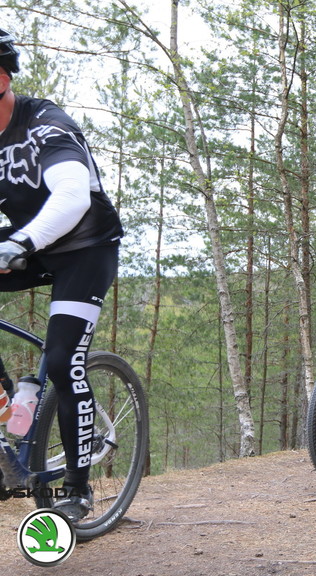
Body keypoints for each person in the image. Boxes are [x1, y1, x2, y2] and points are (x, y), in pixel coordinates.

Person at [0, 30, 124, 521]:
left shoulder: (45, 123)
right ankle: (11, 397)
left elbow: (71, 196)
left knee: (62, 363)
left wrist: (20, 243)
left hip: (85, 248)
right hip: (28, 242)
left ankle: (77, 489)